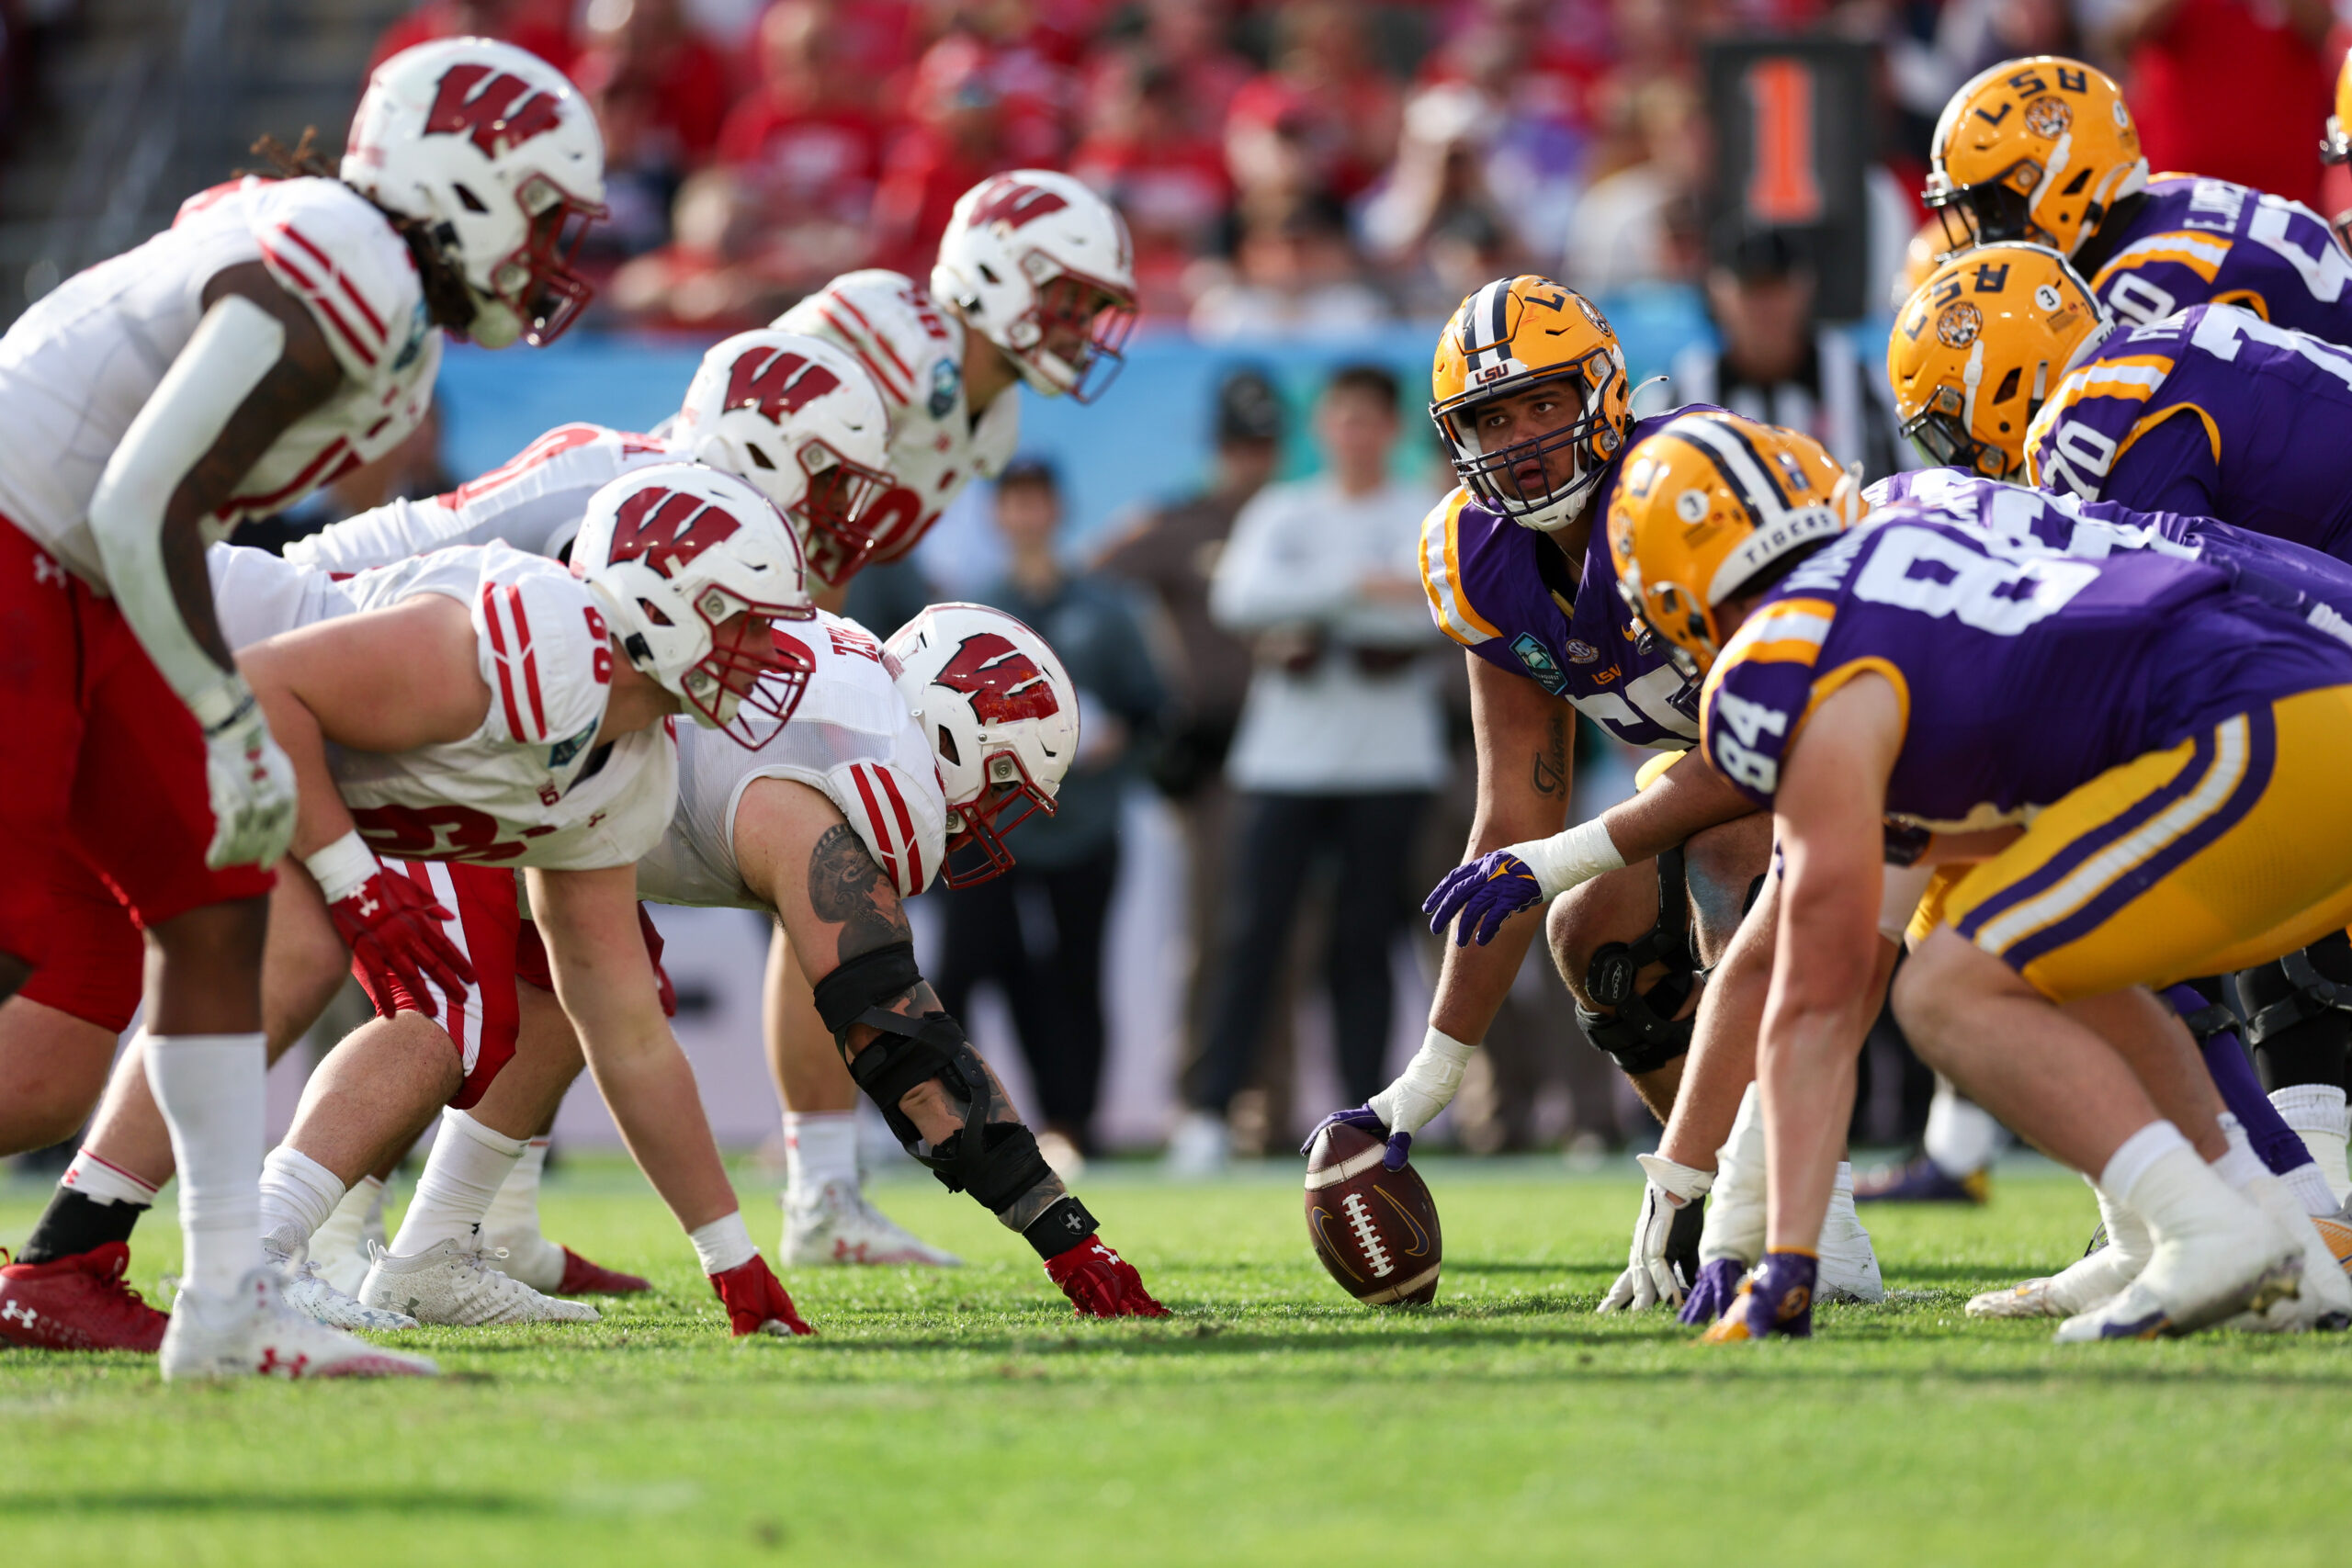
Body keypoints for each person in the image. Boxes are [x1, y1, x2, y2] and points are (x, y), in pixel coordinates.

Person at [0, 37, 605, 1378]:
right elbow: (140, 498)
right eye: (547, 216)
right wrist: (222, 708)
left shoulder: (367, 285)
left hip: (78, 577)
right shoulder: (351, 258)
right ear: (470, 178)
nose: (550, 252)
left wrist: (324, 851)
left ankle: (205, 1302)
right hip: (29, 551)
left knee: (203, 920)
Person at [1608, 408, 2352, 1341]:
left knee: (1948, 991)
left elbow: (1812, 995)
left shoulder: (1778, 660)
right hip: (2298, 701)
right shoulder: (1907, 551)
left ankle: (2203, 1230)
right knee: (2031, 949)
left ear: (1674, 597)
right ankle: (2276, 1242)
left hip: (2252, 734)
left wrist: (1774, 1255)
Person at [1309, 278, 1883, 1311]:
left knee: (1722, 856)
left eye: (1542, 403)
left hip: (1879, 737)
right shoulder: (1475, 556)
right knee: (1594, 938)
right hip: (1736, 766)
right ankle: (1718, 1192)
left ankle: (1797, 1205)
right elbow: (1513, 823)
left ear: (1606, 394)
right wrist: (1429, 1078)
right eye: (1491, 417)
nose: (1522, 438)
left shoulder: (1685, 487)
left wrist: (1565, 854)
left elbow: (1770, 745)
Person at [1888, 240, 2352, 1221]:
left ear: (1997, 378)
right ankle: (2262, 1198)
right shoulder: (2159, 354)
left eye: (1945, 425)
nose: (1957, 458)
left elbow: (2163, 633)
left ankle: (2262, 1204)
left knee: (2146, 871)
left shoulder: (2097, 411)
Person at [755, 171, 1138, 1254]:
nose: (1078, 327)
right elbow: (743, 457)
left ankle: (820, 1198)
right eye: (1065, 298)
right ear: (994, 274)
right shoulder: (882, 323)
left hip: (772, 635)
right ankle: (440, 1216)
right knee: (584, 937)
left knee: (831, 897)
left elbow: (837, 550)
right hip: (692, 617)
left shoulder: (992, 410)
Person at [1171, 364, 1442, 1168]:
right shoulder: (1284, 510)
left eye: (1370, 419)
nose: (1355, 433)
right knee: (1251, 936)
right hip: (1282, 761)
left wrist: (1312, 603)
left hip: (1391, 760)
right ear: (1322, 427)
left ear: (1391, 429)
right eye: (1342, 417)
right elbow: (1239, 601)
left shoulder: (1422, 510)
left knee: (1363, 945)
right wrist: (1363, 586)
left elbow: (1440, 605)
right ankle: (1210, 1113)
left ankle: (1364, 1121)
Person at [932, 459, 1165, 1169]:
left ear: (1057, 510)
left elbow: (1151, 705)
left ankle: (1073, 1122)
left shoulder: (1105, 604)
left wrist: (1117, 735)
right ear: (998, 515)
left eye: (1039, 501)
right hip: (989, 827)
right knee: (968, 968)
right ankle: (943, 1121)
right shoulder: (970, 614)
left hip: (1084, 819)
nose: (1028, 515)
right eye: (1014, 502)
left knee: (1077, 974)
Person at [1094, 368, 1288, 1155]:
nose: (1251, 458)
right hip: (1213, 761)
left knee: (1290, 941)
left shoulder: (1294, 516)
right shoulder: (1182, 524)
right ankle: (1199, 1105)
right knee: (1211, 938)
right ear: (1219, 448)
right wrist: (1146, 699)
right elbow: (1089, 584)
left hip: (1298, 759)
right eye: (1239, 443)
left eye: (1263, 443)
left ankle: (1274, 1112)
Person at [1923, 57, 2352, 342]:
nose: (1982, 233)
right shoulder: (2169, 195)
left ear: (2062, 181)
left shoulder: (2139, 286)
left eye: (1993, 208)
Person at [1667, 227, 1909, 489]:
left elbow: (1909, 479)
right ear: (1718, 293)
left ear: (1805, 289)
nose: (1766, 307)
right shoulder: (1687, 391)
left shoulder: (1860, 380)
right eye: (1751, 290)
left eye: (1778, 288)